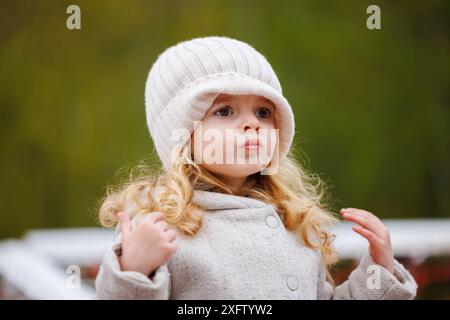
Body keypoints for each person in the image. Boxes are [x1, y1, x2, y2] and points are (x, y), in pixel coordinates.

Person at [95, 36, 417, 299]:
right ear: (182, 135)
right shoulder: (162, 226)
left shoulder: (294, 223)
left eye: (263, 113)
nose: (251, 124)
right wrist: (134, 270)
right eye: (224, 111)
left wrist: (380, 272)